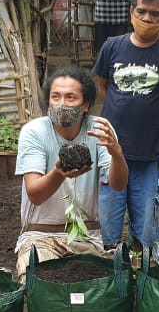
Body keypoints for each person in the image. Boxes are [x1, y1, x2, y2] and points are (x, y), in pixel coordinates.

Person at [93, 0, 159, 250]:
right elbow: (103, 85)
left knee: (144, 226)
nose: (147, 19)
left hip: (148, 152)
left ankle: (140, 271)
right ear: (131, 13)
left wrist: (155, 113)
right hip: (111, 152)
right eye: (142, 11)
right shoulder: (112, 47)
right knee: (110, 225)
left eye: (154, 14)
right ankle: (113, 274)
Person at [14, 66, 128, 280]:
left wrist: (118, 155)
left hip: (88, 237)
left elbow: (118, 184)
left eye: (70, 97)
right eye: (55, 97)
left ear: (85, 105)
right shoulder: (35, 131)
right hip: (40, 236)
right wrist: (59, 172)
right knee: (42, 286)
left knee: (104, 291)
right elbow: (35, 194)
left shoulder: (99, 129)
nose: (62, 104)